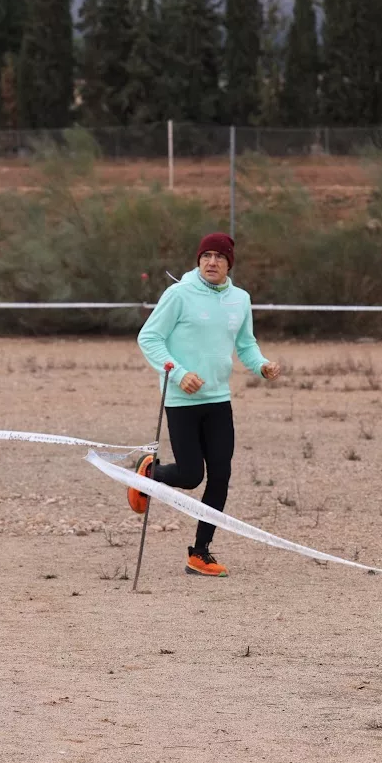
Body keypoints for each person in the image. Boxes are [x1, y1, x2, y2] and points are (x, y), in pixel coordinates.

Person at [132, 232, 281, 577]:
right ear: (198, 260)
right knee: (189, 475)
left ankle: (200, 553)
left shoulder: (240, 299)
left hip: (218, 399)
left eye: (219, 256)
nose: (211, 262)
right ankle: (149, 473)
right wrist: (178, 372)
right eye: (206, 256)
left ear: (230, 263)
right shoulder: (178, 295)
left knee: (221, 474)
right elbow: (149, 337)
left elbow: (245, 344)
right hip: (182, 399)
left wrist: (261, 364)